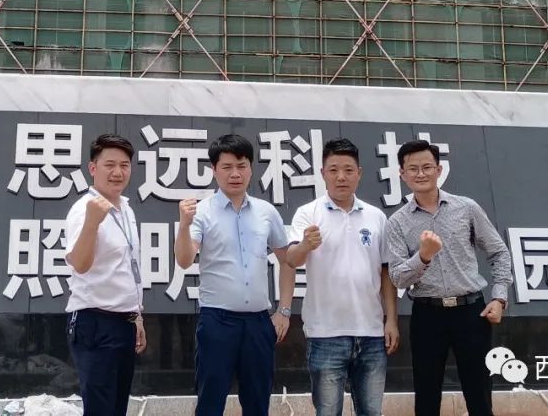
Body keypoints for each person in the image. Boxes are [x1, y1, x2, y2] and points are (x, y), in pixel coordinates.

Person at [385, 139, 513, 416]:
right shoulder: (397, 222)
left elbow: (498, 252)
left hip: (471, 312)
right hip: (427, 315)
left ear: (439, 170)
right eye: (413, 168)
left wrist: (500, 298)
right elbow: (397, 278)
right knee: (426, 397)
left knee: (479, 395)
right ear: (402, 174)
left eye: (427, 167)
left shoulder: (466, 208)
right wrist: (423, 256)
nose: (421, 174)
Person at [174, 133, 296, 416]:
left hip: (258, 323)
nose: (235, 174)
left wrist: (284, 310)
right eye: (227, 167)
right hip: (217, 321)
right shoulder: (202, 212)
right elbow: (184, 259)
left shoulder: (266, 212)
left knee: (258, 402)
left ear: (251, 168)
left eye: (242, 166)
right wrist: (184, 225)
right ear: (214, 170)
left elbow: (288, 260)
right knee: (210, 401)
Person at [286, 137, 400, 416]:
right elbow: (291, 259)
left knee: (371, 411)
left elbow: (386, 272)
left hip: (371, 333)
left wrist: (391, 320)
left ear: (359, 174)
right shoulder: (308, 213)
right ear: (323, 173)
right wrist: (305, 245)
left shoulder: (376, 217)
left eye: (348, 170)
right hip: (326, 334)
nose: (341, 177)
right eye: (334, 170)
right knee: (327, 412)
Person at [64, 134, 147, 416]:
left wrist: (136, 315)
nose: (117, 172)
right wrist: (91, 223)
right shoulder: (83, 210)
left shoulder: (125, 208)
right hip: (95, 322)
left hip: (124, 322)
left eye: (124, 165)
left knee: (117, 407)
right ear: (93, 168)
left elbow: (127, 268)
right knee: (100, 409)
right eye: (109, 165)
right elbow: (79, 263)